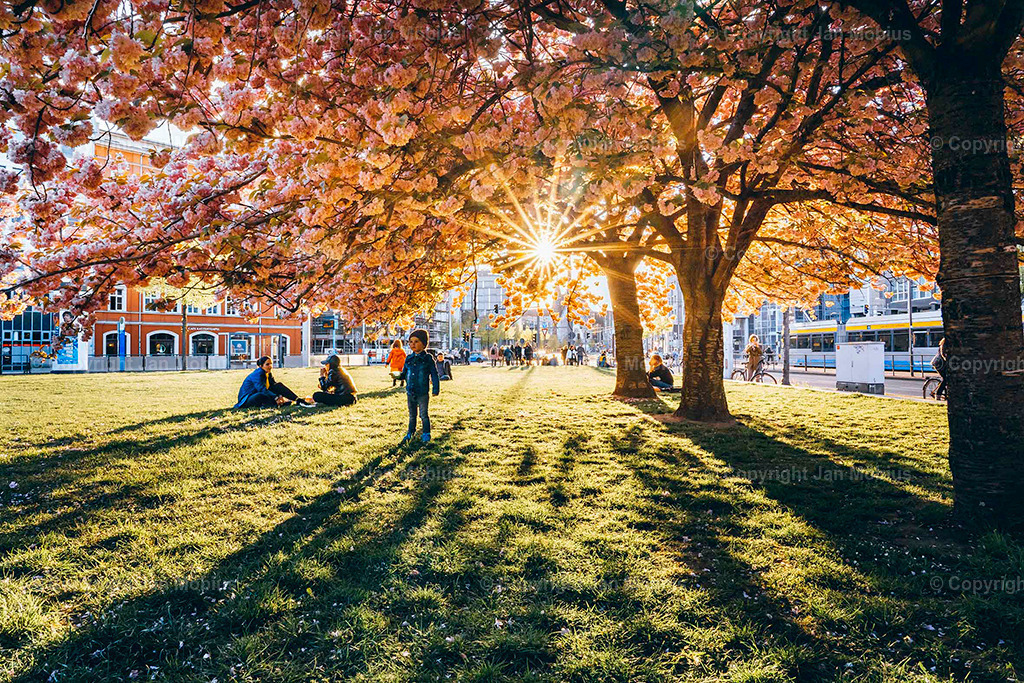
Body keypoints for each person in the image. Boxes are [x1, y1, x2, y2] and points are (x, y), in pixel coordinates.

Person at [399, 329, 440, 444]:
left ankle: (426, 433)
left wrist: (435, 388)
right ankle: (410, 432)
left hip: (422, 392)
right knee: (412, 415)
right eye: (410, 342)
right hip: (410, 391)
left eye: (416, 341)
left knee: (423, 414)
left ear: (424, 343)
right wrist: (398, 376)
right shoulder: (409, 358)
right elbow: (404, 373)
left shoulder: (428, 359)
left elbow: (434, 374)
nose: (413, 344)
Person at [235, 356, 311, 408]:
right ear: (261, 366)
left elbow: (273, 386)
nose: (270, 366)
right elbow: (261, 389)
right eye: (267, 364)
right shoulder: (258, 373)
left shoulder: (268, 373)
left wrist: (280, 395)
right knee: (260, 395)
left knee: (278, 385)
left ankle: (297, 399)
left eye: (271, 364)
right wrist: (275, 397)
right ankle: (275, 404)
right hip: (248, 399)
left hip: (260, 394)